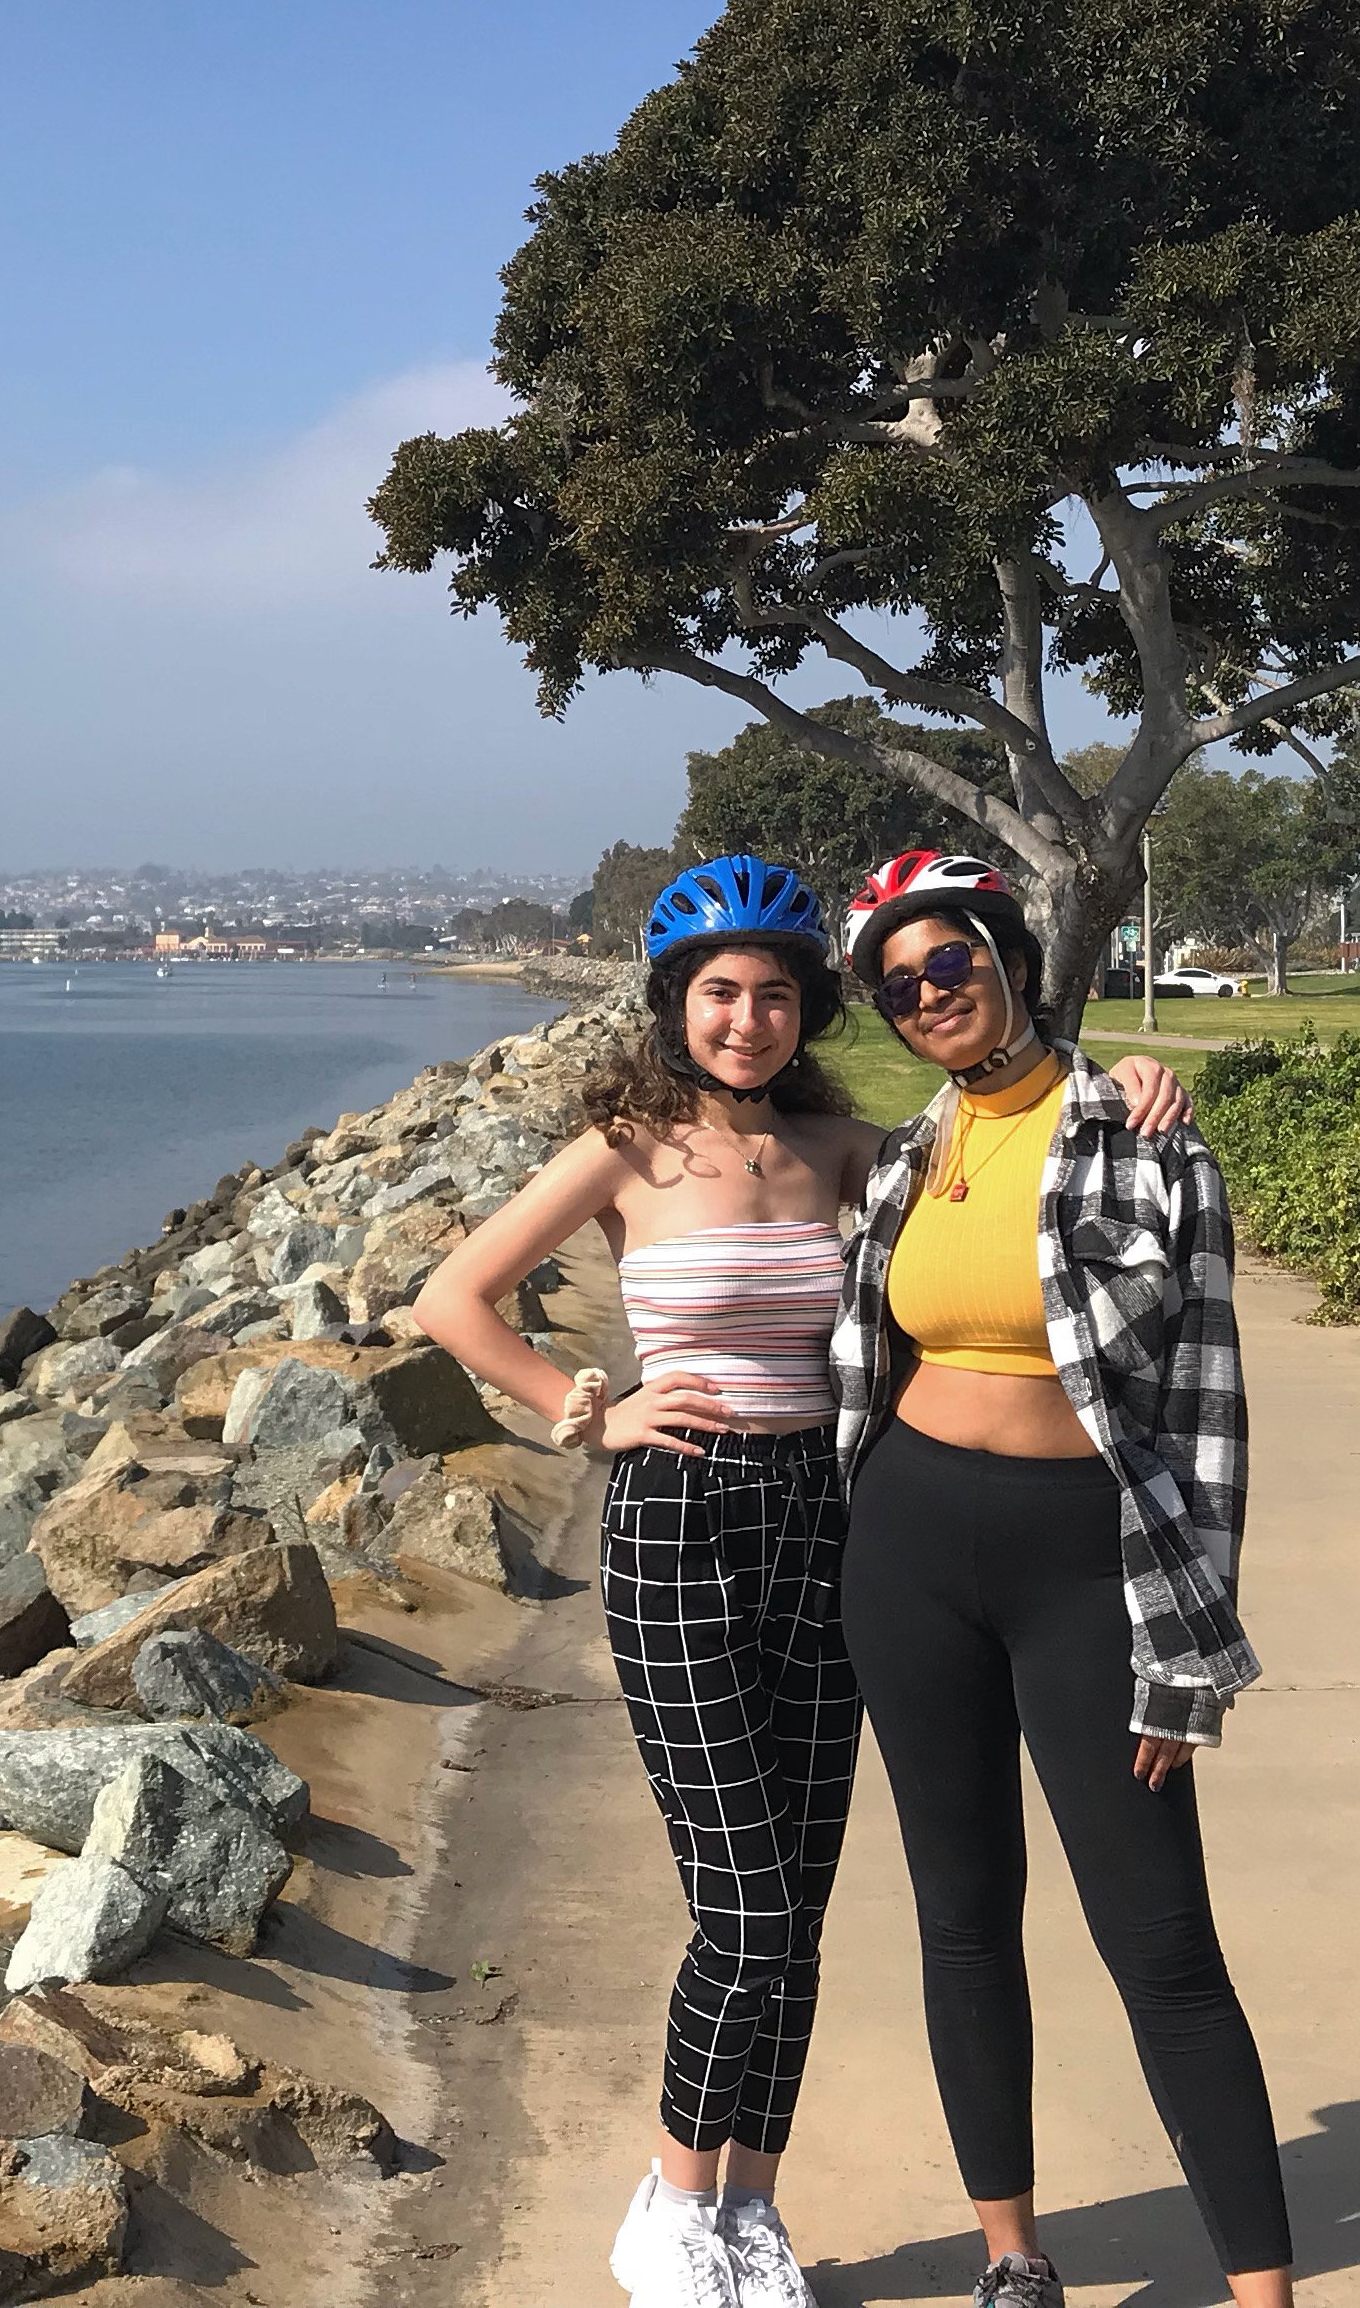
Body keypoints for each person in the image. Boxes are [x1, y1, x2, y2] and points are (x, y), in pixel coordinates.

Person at [412, 854, 1188, 2308]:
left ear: (808, 1009)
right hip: (676, 1528)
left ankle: (749, 2210)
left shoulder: (843, 1147)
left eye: (774, 996)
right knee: (747, 1908)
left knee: (804, 1903)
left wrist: (1126, 1083)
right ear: (674, 1005)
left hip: (825, 1524)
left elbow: (999, 1150)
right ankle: (670, 2201)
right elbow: (451, 1297)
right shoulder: (625, 1150)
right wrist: (593, 1407)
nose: (746, 1021)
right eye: (719, 995)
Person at [829, 847, 1294, 2308]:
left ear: (1013, 961)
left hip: (1084, 1560)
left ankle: (1265, 2292)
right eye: (899, 986)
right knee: (961, 1912)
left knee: (1159, 1935)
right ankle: (1011, 2253)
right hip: (905, 1548)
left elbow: (1207, 1409)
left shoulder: (1145, 1136)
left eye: (951, 963)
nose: (930, 998)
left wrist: (1186, 1654)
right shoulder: (909, 1153)